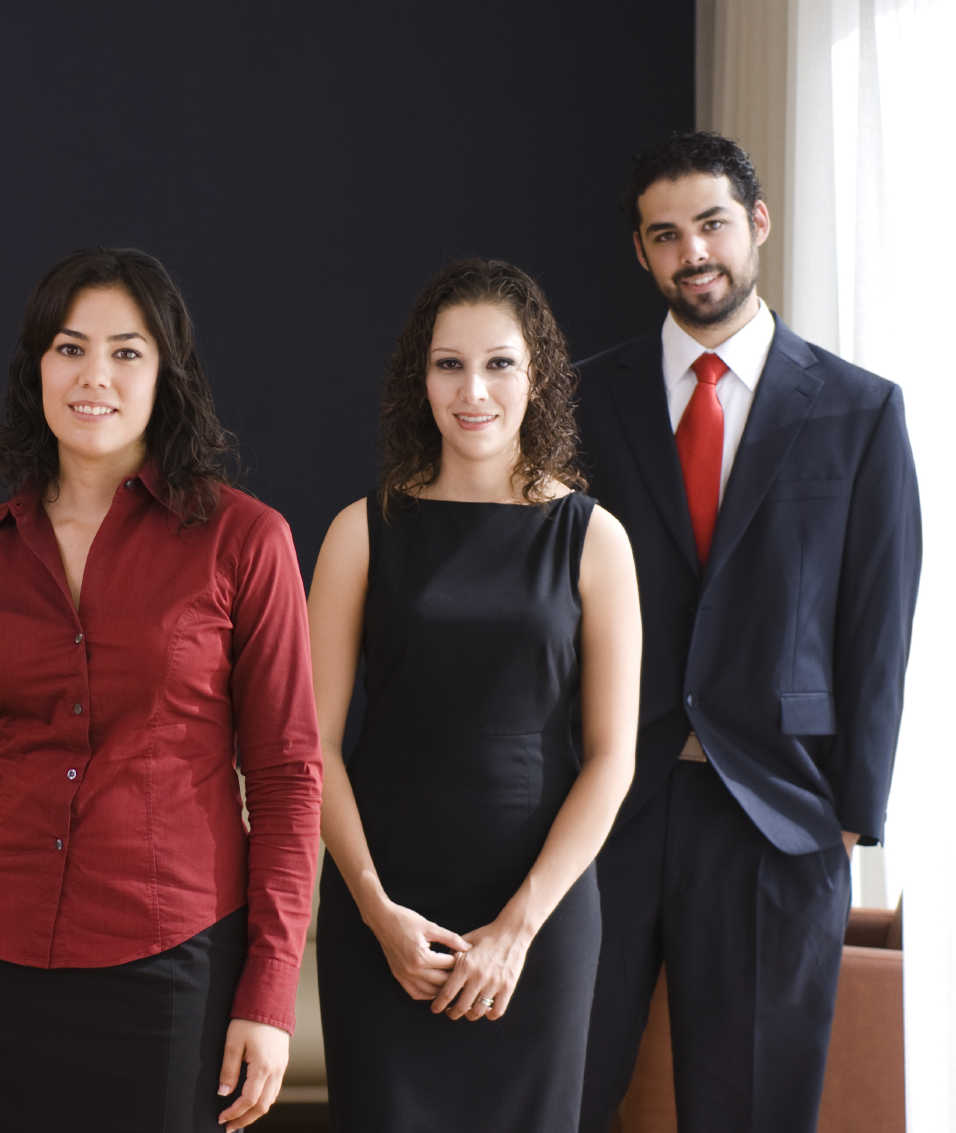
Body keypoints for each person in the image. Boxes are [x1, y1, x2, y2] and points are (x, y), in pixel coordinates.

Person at [0, 247, 322, 1133]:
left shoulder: (246, 541)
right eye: (70, 348)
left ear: (167, 374)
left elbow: (287, 778)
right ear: (36, 369)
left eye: (127, 351)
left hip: (174, 964)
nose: (95, 376)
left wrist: (270, 992)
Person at [574, 132, 921, 1133]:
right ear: (640, 252)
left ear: (756, 224)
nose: (692, 251)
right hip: (605, 802)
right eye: (664, 234)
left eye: (712, 223)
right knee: (557, 1094)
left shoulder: (859, 410)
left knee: (754, 1109)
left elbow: (878, 621)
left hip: (777, 811)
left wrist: (849, 813)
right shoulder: (581, 399)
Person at [308, 259, 641, 1131]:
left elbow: (612, 759)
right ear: (418, 380)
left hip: (538, 915)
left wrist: (519, 929)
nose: (474, 391)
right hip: (387, 911)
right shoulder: (360, 531)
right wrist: (375, 910)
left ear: (538, 378)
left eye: (499, 364)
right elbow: (314, 746)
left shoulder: (595, 538)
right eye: (449, 365)